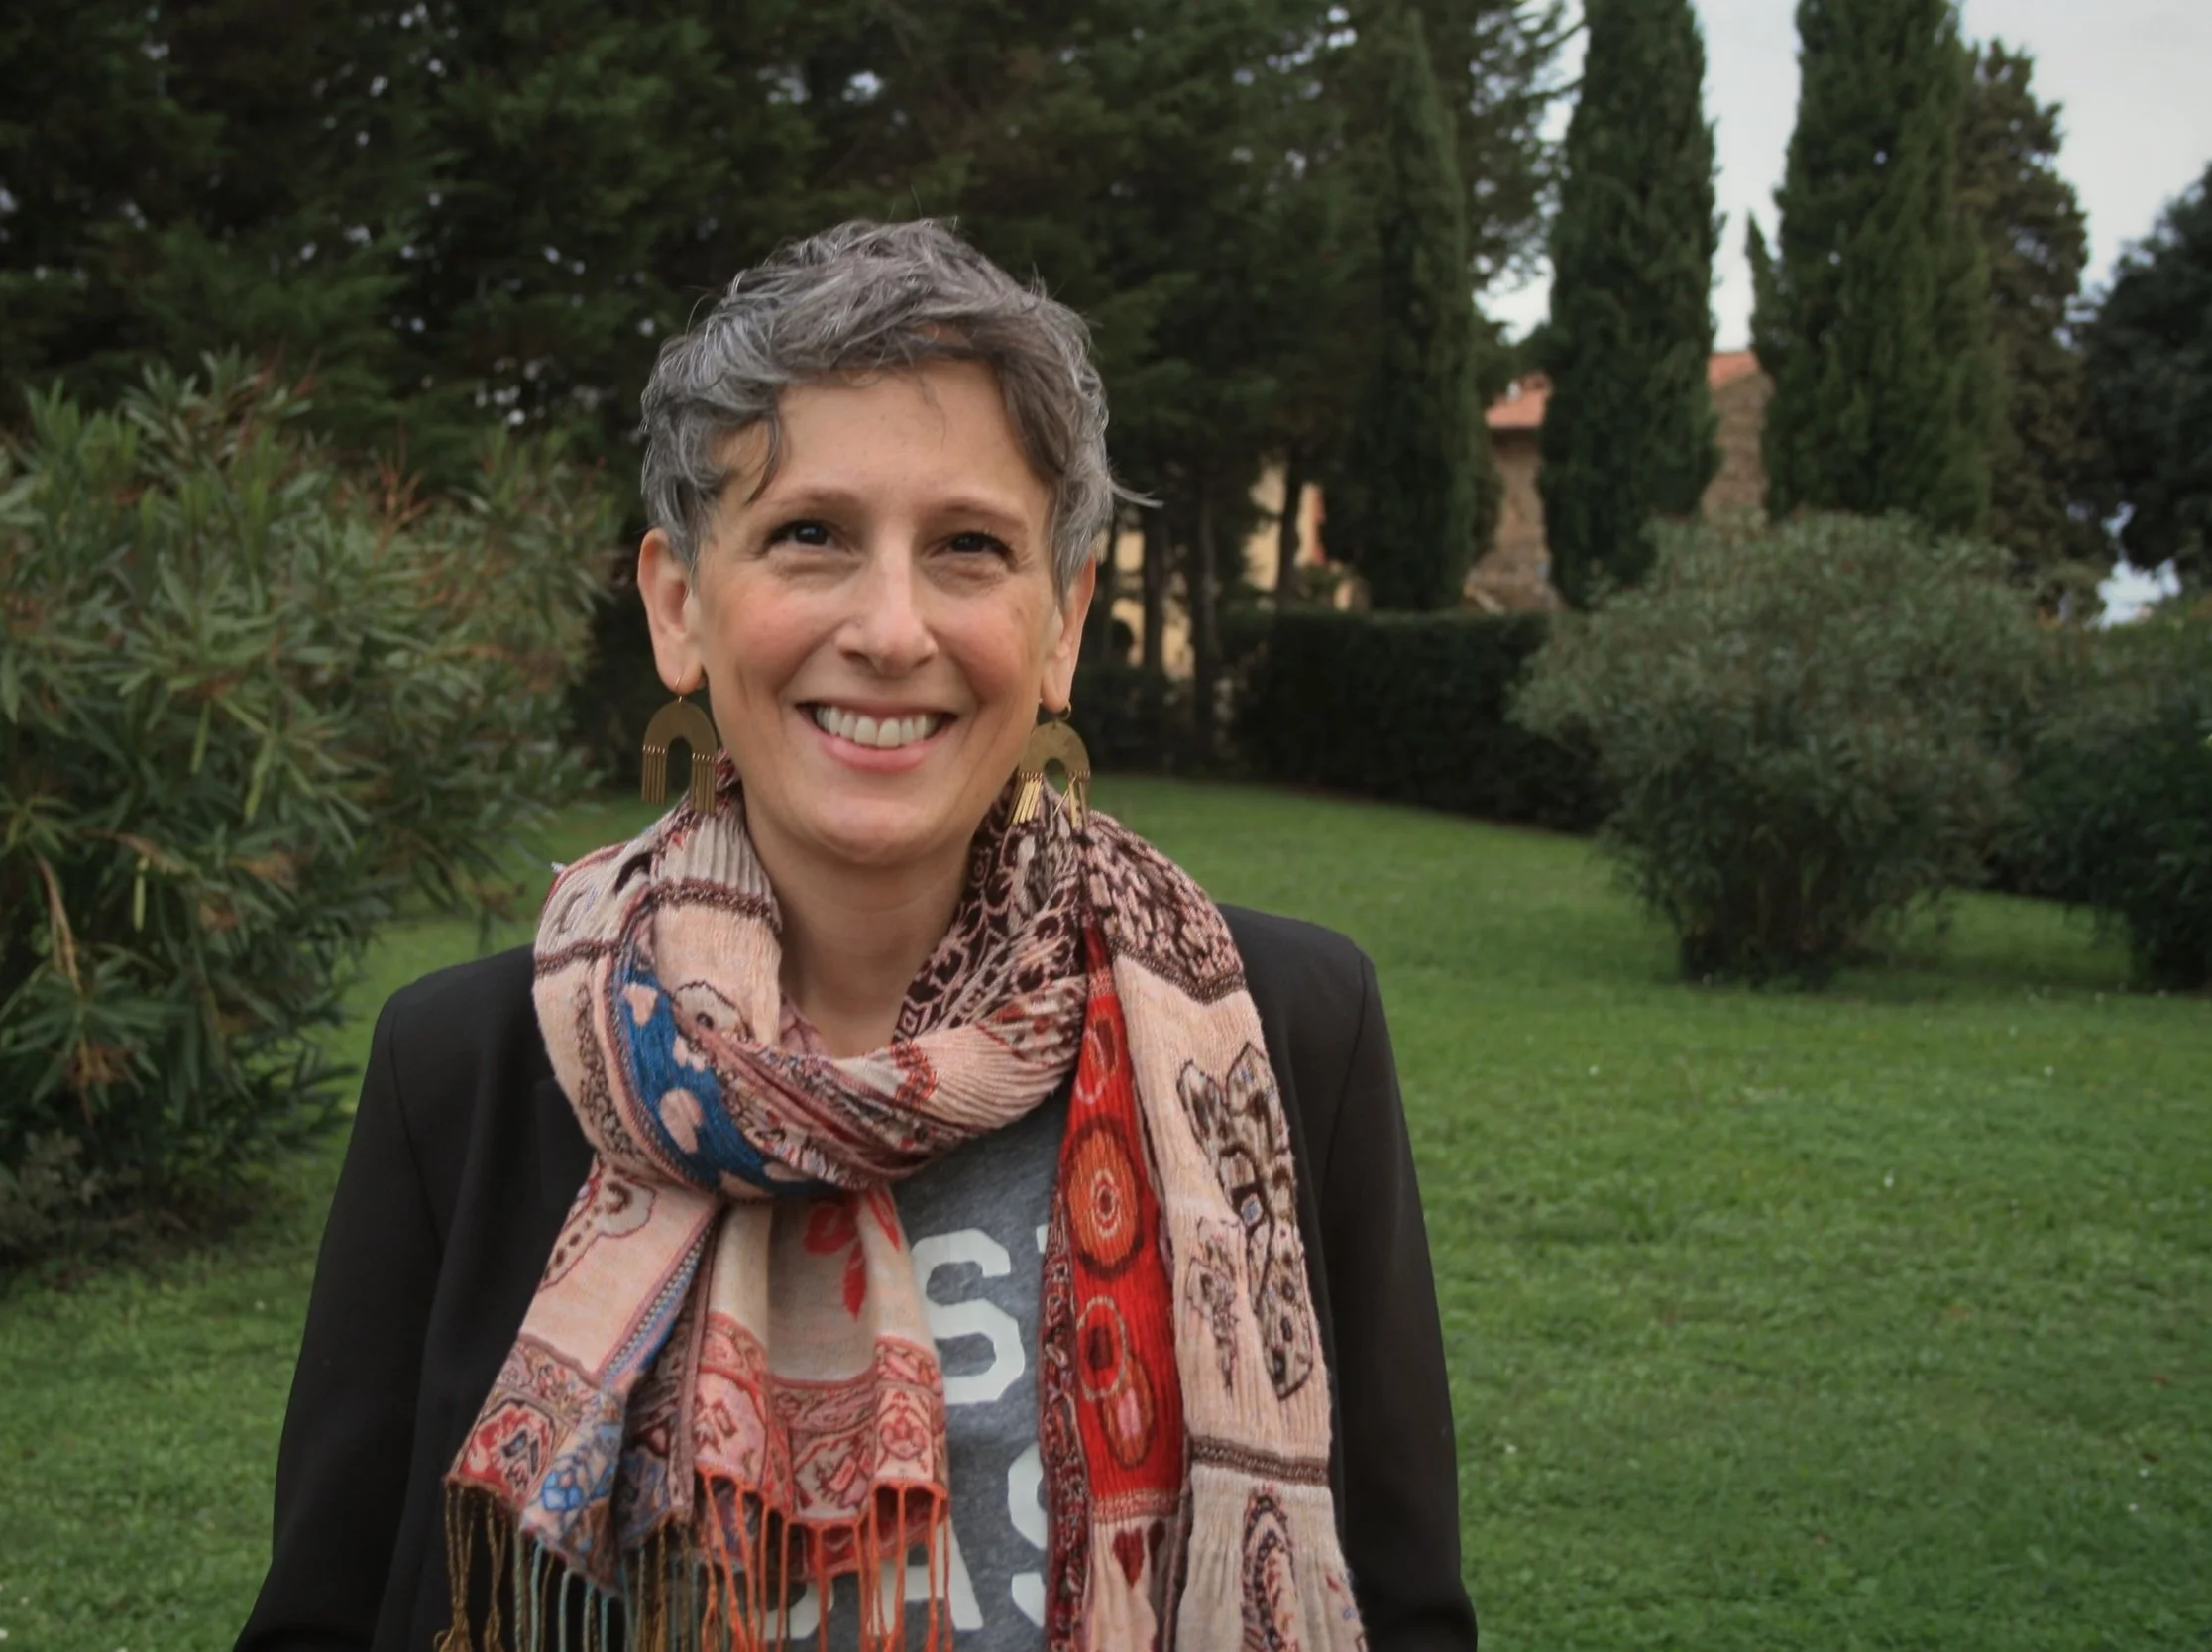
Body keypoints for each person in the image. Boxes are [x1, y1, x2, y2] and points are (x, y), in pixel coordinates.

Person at [237, 220, 1475, 1652]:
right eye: (811, 535)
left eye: (968, 547)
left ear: (1063, 621)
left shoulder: (1287, 1031)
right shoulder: (463, 1072)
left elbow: (1407, 1611)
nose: (892, 628)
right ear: (679, 604)